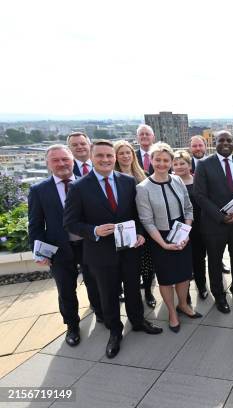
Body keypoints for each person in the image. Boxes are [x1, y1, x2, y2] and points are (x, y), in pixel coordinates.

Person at [64, 140, 162, 359]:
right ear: (91, 157)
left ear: (115, 158)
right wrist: (95, 230)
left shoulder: (127, 182)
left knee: (133, 288)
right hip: (100, 253)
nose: (106, 160)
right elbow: (70, 223)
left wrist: (139, 233)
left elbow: (137, 215)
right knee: (108, 294)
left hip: (129, 248)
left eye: (109, 156)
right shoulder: (78, 187)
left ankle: (137, 321)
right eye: (100, 156)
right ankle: (115, 332)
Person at [28, 145, 103, 347]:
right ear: (48, 164)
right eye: (56, 160)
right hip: (59, 249)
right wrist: (39, 252)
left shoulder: (87, 183)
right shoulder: (39, 190)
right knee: (66, 289)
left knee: (94, 282)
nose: (61, 164)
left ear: (72, 160)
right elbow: (35, 226)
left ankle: (101, 312)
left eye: (65, 159)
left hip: (88, 246)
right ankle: (72, 325)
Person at [136, 142, 200, 333]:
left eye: (166, 160)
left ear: (171, 162)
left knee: (183, 275)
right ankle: (172, 312)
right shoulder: (143, 188)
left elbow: (189, 208)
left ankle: (183, 304)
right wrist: (163, 243)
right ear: (151, 160)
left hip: (181, 232)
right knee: (166, 279)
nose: (162, 164)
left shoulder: (178, 181)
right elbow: (147, 221)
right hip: (159, 237)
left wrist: (186, 232)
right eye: (158, 160)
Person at [193, 131, 233, 314]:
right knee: (215, 262)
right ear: (215, 143)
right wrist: (221, 216)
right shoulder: (204, 165)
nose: (225, 143)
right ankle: (219, 295)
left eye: (229, 140)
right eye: (221, 140)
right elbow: (199, 195)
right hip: (214, 224)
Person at [113, 140, 156, 308]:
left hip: (144, 225)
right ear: (116, 156)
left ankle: (148, 291)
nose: (125, 156)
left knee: (147, 262)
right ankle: (130, 292)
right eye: (121, 153)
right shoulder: (112, 176)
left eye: (128, 152)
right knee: (128, 265)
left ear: (133, 155)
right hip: (123, 228)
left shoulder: (143, 174)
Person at [173, 150, 208, 301]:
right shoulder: (170, 182)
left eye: (182, 163)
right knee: (181, 262)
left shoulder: (197, 181)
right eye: (175, 164)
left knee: (199, 259)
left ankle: (201, 286)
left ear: (189, 165)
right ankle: (184, 294)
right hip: (178, 228)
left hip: (198, 227)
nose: (179, 166)